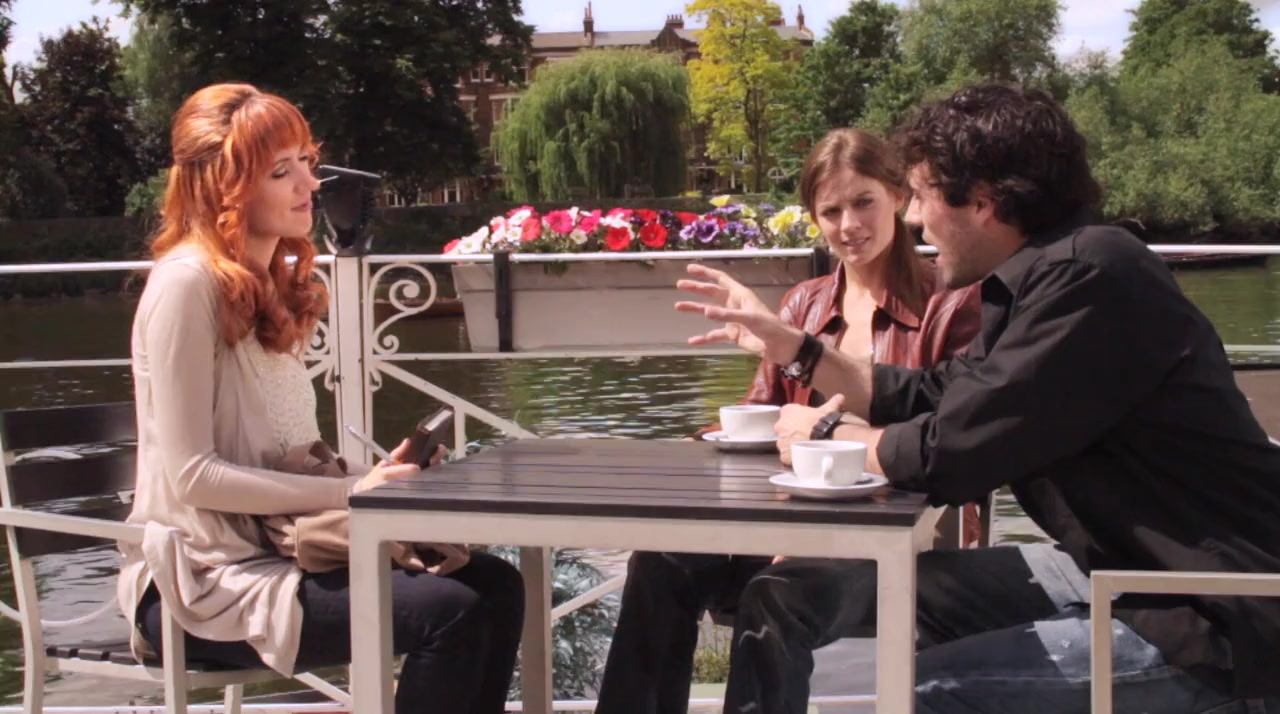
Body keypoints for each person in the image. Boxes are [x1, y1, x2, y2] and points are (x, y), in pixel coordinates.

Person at [676, 83, 1280, 713]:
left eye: (923, 196)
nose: (915, 218)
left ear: (984, 202)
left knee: (927, 690)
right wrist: (797, 349)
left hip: (1213, 613)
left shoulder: (1091, 278)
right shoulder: (1046, 275)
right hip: (1108, 568)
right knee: (786, 593)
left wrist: (828, 437)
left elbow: (952, 453)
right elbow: (937, 394)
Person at [118, 83, 523, 714]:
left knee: (498, 587)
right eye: (281, 171)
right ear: (224, 187)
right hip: (202, 579)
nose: (310, 183)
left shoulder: (266, 284)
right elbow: (193, 476)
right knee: (451, 611)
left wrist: (382, 476)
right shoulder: (185, 285)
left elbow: (283, 456)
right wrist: (355, 492)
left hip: (282, 548)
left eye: (307, 161)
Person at [595, 128, 982, 713]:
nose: (849, 225)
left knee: (776, 593)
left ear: (899, 197)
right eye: (831, 211)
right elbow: (764, 421)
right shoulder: (804, 303)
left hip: (900, 541)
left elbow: (948, 444)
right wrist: (704, 444)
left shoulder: (949, 304)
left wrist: (808, 532)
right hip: (786, 530)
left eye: (863, 202)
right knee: (660, 560)